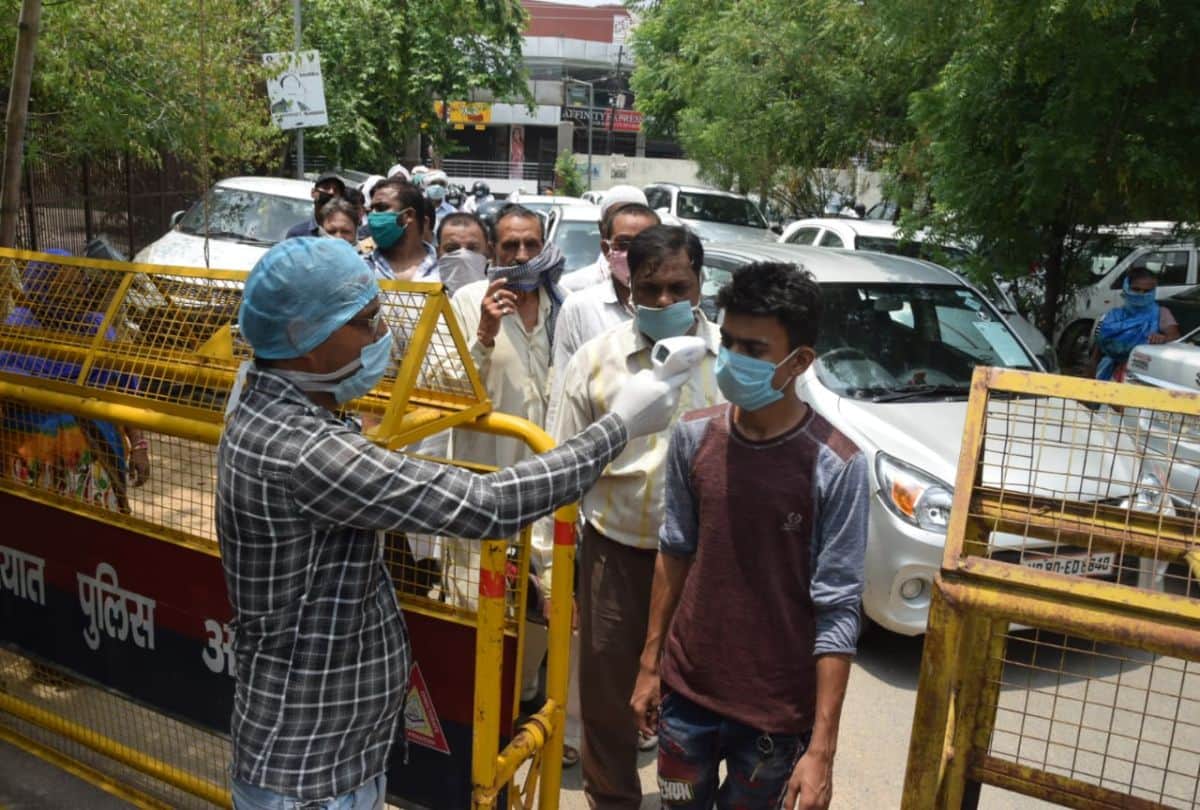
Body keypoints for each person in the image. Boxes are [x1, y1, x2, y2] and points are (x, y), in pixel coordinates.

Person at [218, 237, 689, 810]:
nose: (380, 339)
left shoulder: (260, 397)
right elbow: (487, 505)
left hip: (324, 753)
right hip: (309, 774)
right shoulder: (303, 452)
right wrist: (620, 425)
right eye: (366, 323)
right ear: (302, 338)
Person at [630, 262, 868, 810]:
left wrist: (822, 752)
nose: (734, 360)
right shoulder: (694, 436)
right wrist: (650, 665)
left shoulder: (836, 465)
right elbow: (675, 549)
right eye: (729, 341)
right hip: (685, 699)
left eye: (755, 349)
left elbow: (838, 609)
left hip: (776, 720)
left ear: (799, 361)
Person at [551, 224, 725, 809]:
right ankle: (612, 799)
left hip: (708, 563)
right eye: (649, 289)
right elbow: (561, 472)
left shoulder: (732, 361)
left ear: (701, 284)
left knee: (698, 698)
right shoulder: (594, 362)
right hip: (615, 552)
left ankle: (685, 797)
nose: (663, 302)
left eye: (678, 287)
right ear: (629, 290)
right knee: (605, 700)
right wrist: (557, 578)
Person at [441, 206, 567, 698]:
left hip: (548, 497)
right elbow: (447, 389)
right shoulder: (469, 301)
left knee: (542, 621)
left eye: (531, 245)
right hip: (485, 493)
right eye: (510, 246)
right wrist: (485, 336)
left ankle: (525, 713)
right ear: (492, 250)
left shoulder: (563, 307)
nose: (521, 255)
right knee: (478, 617)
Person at [2, 250, 150, 512]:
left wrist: (138, 445)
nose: (76, 294)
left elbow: (124, 391)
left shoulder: (98, 329)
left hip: (97, 463)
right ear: (41, 289)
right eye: (64, 287)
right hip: (34, 466)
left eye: (78, 285)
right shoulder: (18, 330)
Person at [1091, 267, 1180, 381]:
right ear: (1126, 288)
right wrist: (1091, 368)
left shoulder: (1161, 313)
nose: (1141, 294)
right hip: (1106, 370)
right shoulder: (1113, 315)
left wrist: (1163, 338)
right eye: (1136, 289)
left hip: (1141, 373)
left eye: (1147, 291)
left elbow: (1175, 336)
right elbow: (1099, 345)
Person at [561, 185, 649, 294]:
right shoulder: (571, 288)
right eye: (624, 241)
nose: (629, 223)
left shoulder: (666, 286)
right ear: (602, 228)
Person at [363, 178, 439, 282]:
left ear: (408, 215)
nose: (372, 215)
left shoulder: (444, 269)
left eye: (381, 208)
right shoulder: (361, 267)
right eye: (371, 210)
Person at [436, 212, 491, 296]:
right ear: (438, 252)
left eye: (472, 248)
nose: (463, 256)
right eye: (451, 248)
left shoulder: (500, 298)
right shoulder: (423, 297)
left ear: (488, 252)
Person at [285, 173, 346, 239]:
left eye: (336, 190)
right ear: (314, 193)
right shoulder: (297, 234)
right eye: (326, 187)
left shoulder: (345, 234)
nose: (331, 192)